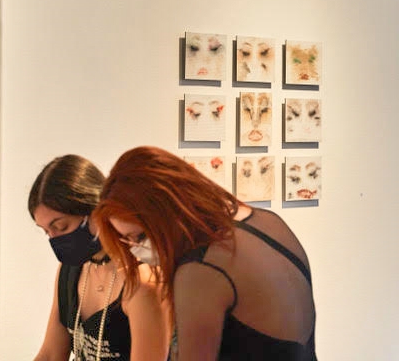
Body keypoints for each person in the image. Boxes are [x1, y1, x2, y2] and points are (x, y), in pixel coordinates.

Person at [93, 146, 318, 361]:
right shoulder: (266, 221)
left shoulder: (201, 270)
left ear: (165, 212)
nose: (136, 250)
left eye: (140, 236)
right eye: (128, 240)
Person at [28, 154, 171, 361]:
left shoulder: (142, 282)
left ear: (97, 211)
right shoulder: (70, 270)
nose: (55, 239)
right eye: (46, 232)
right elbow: (50, 355)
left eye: (61, 226)